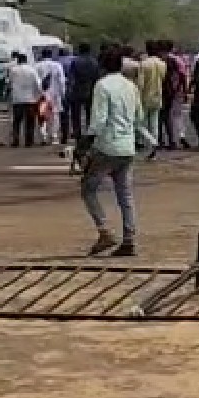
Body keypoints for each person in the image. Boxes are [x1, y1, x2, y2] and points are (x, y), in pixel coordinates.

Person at [79, 45, 156, 257]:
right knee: (125, 194)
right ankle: (129, 239)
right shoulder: (130, 86)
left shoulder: (102, 86)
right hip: (127, 147)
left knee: (88, 189)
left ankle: (104, 230)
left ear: (102, 65)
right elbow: (138, 119)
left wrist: (85, 143)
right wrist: (151, 141)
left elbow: (99, 121)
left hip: (107, 146)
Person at [7, 52, 43, 147]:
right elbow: (38, 84)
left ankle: (16, 140)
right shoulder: (32, 70)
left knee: (17, 121)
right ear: (26, 60)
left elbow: (9, 83)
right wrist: (38, 96)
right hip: (30, 99)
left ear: (18, 60)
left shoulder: (13, 70)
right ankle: (29, 141)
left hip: (17, 99)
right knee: (30, 121)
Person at [138, 41, 166, 157]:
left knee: (141, 123)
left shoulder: (144, 64)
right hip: (157, 95)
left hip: (145, 96)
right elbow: (163, 79)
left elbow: (140, 83)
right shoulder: (162, 64)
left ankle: (148, 143)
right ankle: (153, 146)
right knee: (154, 124)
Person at [68, 43, 100, 138]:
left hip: (77, 90)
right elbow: (97, 77)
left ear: (79, 50)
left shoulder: (75, 61)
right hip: (90, 89)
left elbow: (71, 77)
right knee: (90, 112)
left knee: (75, 113)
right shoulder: (94, 62)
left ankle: (77, 131)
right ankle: (90, 131)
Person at [36, 48, 66, 146]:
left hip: (42, 95)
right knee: (55, 116)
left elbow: (36, 82)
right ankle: (53, 136)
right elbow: (61, 81)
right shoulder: (57, 65)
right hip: (55, 95)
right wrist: (63, 93)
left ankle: (43, 137)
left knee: (42, 116)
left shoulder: (37, 66)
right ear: (51, 55)